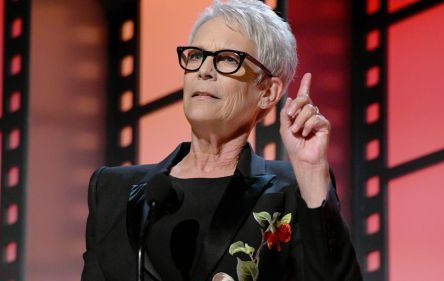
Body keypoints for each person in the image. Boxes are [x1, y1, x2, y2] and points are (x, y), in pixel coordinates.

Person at [82, 0, 362, 280]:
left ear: (267, 91)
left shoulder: (291, 191)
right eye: (195, 56)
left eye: (227, 59)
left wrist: (312, 173)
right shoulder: (112, 191)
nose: (204, 70)